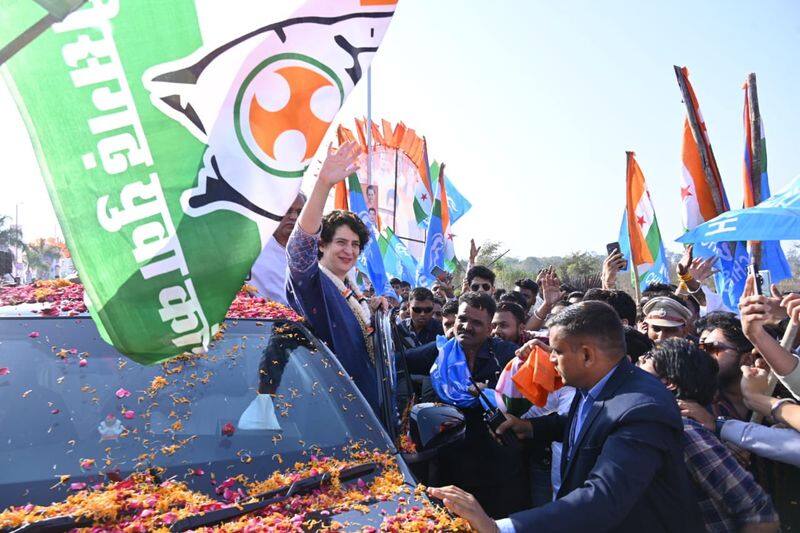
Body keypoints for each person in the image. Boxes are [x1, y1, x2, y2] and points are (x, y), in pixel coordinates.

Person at [429, 300, 703, 532]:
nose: (549, 359)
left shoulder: (641, 409)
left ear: (586, 355)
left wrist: (499, 527)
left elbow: (603, 498)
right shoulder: (597, 384)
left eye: (557, 351)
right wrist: (529, 427)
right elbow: (583, 424)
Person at [406, 292, 529, 518]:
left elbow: (534, 397)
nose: (465, 327)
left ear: (490, 326)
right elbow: (396, 362)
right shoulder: (441, 351)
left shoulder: (506, 355)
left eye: (476, 323)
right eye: (462, 319)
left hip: (498, 469)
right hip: (451, 469)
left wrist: (492, 395)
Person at [638, 339, 780, 532]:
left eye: (647, 358)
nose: (638, 359)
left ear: (668, 382)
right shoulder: (657, 425)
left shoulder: (685, 432)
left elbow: (758, 510)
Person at [286, 141, 384, 412]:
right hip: (330, 410)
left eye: (355, 245)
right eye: (341, 242)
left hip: (368, 406)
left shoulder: (351, 288)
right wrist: (323, 184)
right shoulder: (312, 282)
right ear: (322, 245)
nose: (349, 251)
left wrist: (372, 310)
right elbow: (299, 248)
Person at [681, 312, 754, 426]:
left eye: (714, 348)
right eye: (702, 348)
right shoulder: (696, 405)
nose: (704, 354)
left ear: (747, 359)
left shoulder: (774, 397)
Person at [248, 193, 306, 304]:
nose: (294, 217)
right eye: (287, 210)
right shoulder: (252, 249)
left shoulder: (312, 253)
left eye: (299, 212)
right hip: (263, 319)